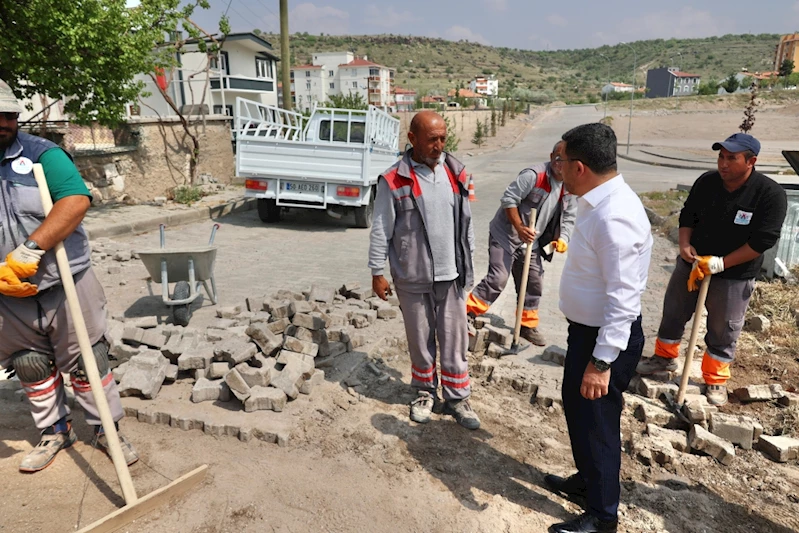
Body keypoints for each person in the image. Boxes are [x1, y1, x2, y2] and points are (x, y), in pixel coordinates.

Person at [0, 79, 138, 472]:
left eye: (8, 115)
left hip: (65, 281)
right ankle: (56, 431)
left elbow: (75, 200)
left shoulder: (44, 156)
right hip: (8, 294)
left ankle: (106, 430)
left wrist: (31, 247)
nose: (3, 122)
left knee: (88, 360)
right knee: (29, 363)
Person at [546, 123, 652, 533]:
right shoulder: (596, 199)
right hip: (587, 334)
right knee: (578, 410)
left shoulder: (615, 216)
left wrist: (602, 361)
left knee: (599, 425)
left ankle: (603, 516)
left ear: (578, 167)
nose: (557, 169)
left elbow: (623, 300)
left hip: (606, 340)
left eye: (561, 162)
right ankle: (587, 483)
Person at [637, 133, 787, 406]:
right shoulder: (707, 183)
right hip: (692, 264)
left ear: (751, 161)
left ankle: (715, 380)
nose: (723, 163)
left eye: (732, 158)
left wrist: (721, 263)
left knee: (723, 327)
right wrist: (684, 246)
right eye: (721, 156)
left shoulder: (769, 194)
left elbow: (763, 241)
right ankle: (664, 358)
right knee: (674, 310)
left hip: (734, 274)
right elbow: (688, 215)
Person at [368, 110, 480, 430]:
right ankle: (424, 392)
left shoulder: (458, 173)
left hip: (452, 274)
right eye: (432, 139)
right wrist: (377, 270)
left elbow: (467, 224)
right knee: (420, 339)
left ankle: (458, 397)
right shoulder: (393, 179)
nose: (439, 145)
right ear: (413, 139)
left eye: (443, 138)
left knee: (455, 338)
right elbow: (381, 228)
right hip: (412, 274)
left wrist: (468, 265)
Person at [465, 141, 577, 345]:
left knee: (533, 282)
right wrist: (519, 228)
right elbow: (509, 200)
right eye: (558, 159)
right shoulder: (534, 175)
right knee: (498, 278)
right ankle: (467, 313)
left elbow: (569, 216)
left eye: (566, 160)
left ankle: (527, 325)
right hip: (506, 236)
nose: (560, 164)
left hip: (532, 243)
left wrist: (563, 238)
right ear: (552, 156)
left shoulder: (570, 186)